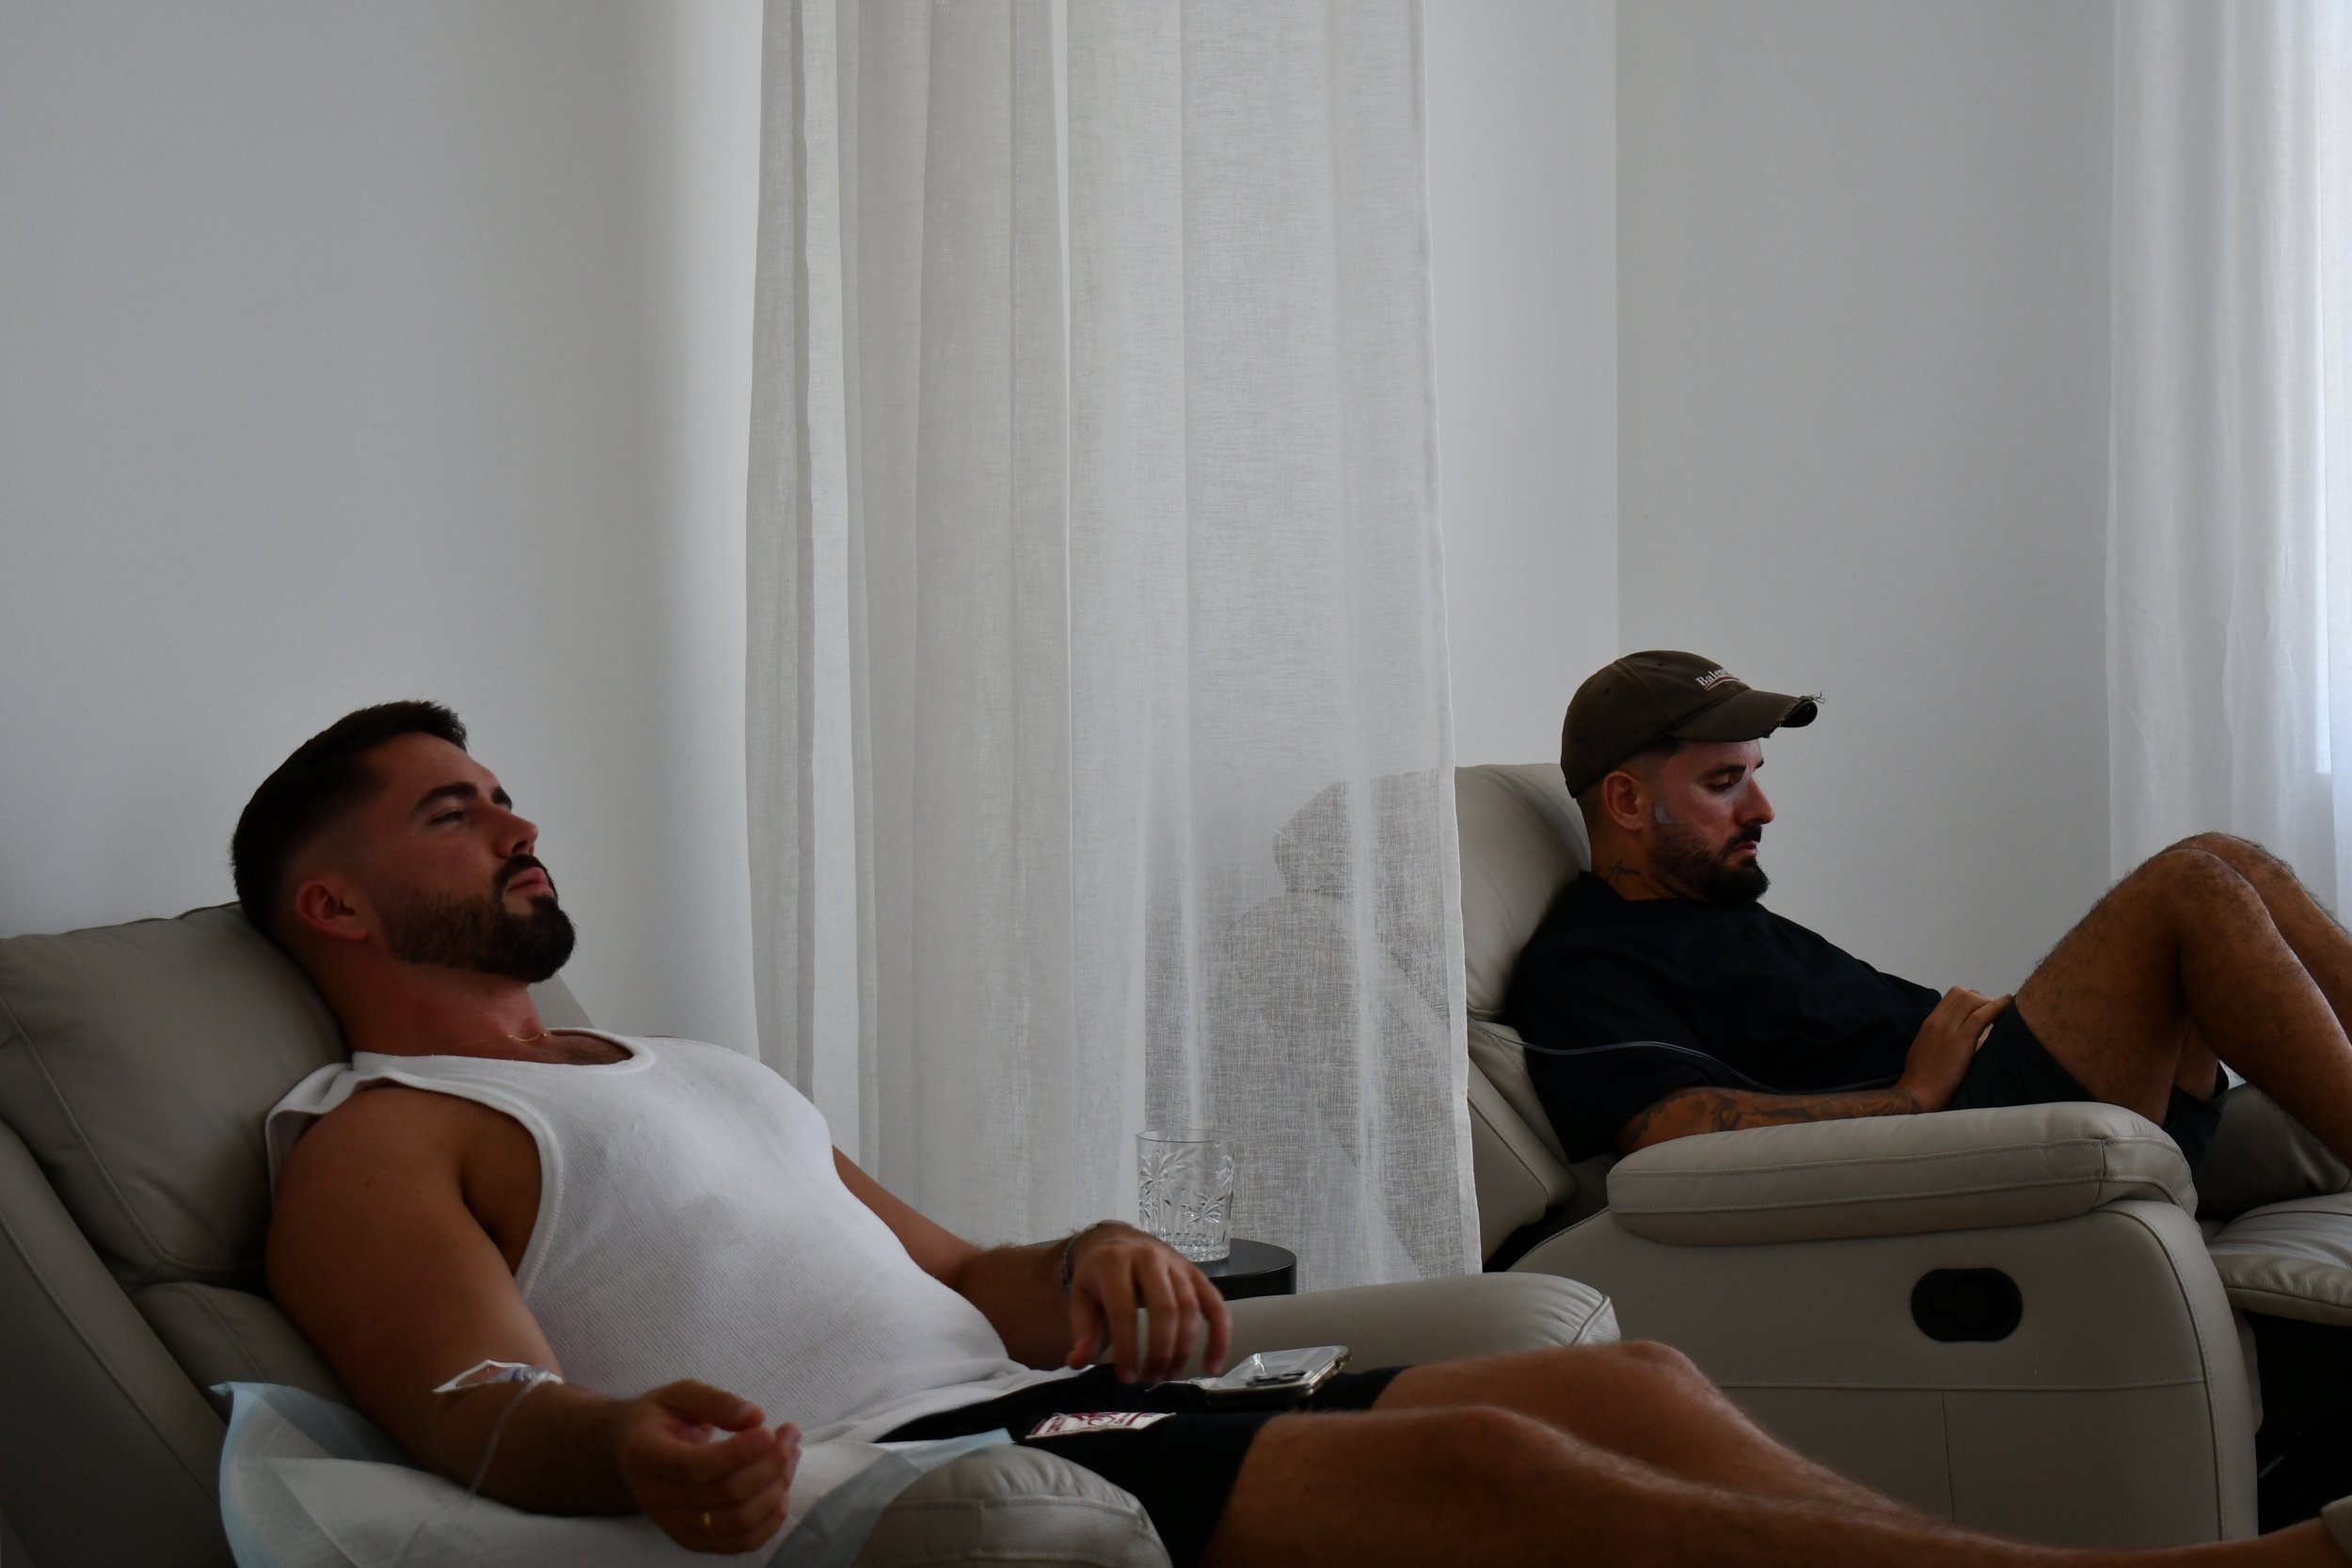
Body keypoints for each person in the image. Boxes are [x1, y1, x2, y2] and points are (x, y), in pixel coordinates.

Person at [247, 700, 2352, 1567]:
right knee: (1501, 1467)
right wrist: (622, 1441)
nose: (515, 817)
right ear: (331, 907)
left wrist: (1081, 1245)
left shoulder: (686, 1062)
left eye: (501, 787)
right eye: (453, 807)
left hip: (1037, 1382)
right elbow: (477, 1406)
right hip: (920, 1466)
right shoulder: (382, 1132)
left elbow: (959, 1267)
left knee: (1622, 1378)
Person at [1508, 650, 2352, 1176]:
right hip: (1959, 1139)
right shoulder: (1586, 959)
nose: (1763, 809)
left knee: (2225, 855)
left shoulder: (1712, 907)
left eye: (1755, 775)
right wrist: (1909, 1099)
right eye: (1725, 783)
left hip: (1998, 1089)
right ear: (1626, 799)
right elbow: (1666, 1127)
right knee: (2189, 886)